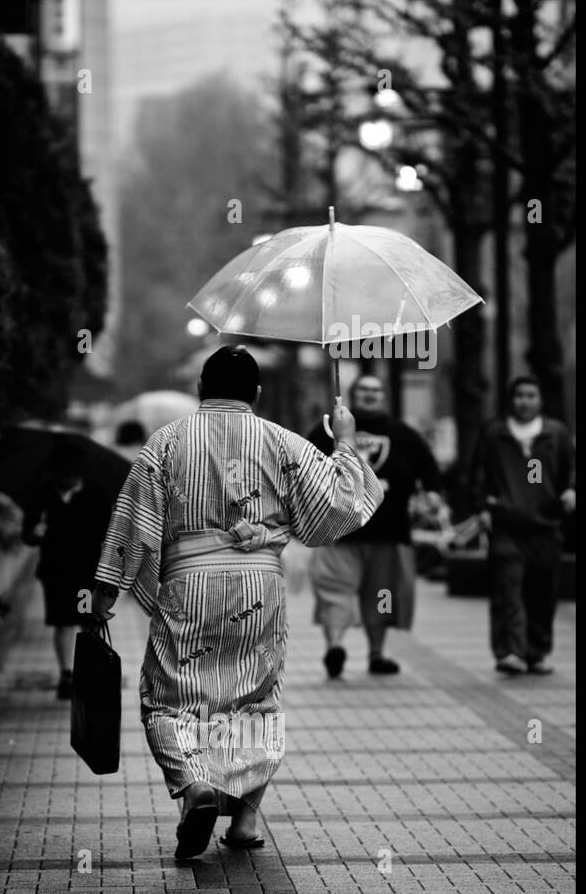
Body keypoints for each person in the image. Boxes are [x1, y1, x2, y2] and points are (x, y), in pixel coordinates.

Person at [86, 343, 382, 859]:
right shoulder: (282, 442)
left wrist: (106, 589)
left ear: (200, 389)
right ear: (259, 393)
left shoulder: (168, 442)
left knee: (172, 696)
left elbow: (134, 522)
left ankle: (194, 784)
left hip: (188, 586)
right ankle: (244, 821)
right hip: (258, 587)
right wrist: (346, 440)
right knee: (253, 698)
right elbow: (339, 506)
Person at [304, 375, 447, 678]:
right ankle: (335, 647)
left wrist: (433, 492)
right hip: (338, 532)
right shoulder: (329, 430)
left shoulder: (404, 434)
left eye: (376, 390)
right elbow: (301, 465)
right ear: (353, 395)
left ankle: (377, 653)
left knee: (381, 596)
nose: (370, 395)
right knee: (335, 592)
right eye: (364, 390)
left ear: (383, 396)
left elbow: (429, 468)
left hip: (389, 532)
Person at [469, 375, 575, 675]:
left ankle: (536, 651)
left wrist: (571, 491)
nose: (524, 401)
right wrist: (481, 508)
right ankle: (510, 652)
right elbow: (477, 473)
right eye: (519, 396)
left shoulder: (556, 433)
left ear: (540, 400)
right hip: (505, 524)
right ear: (510, 400)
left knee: (541, 593)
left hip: (546, 524)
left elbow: (571, 469)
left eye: (531, 395)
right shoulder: (494, 432)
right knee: (508, 590)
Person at [21, 444, 114, 700]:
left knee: (87, 621)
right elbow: (27, 533)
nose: (67, 480)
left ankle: (86, 672)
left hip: (86, 570)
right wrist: (34, 533)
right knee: (61, 621)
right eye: (63, 475)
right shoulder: (44, 494)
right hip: (55, 570)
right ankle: (66, 675)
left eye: (72, 475)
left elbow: (107, 531)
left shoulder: (94, 493)